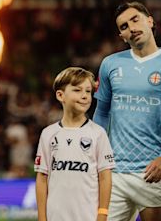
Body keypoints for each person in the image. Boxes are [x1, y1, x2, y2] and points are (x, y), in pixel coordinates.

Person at [93, 1, 161, 221]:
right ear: (121, 36)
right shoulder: (110, 64)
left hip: (152, 171)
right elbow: (101, 114)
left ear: (150, 21)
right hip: (114, 173)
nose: (131, 27)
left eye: (135, 19)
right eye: (123, 26)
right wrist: (97, 155)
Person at [35, 67, 115, 221]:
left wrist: (102, 213)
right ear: (60, 95)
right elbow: (42, 178)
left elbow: (105, 177)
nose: (85, 96)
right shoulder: (48, 134)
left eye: (88, 91)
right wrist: (42, 217)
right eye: (77, 90)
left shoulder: (98, 133)